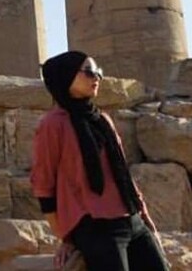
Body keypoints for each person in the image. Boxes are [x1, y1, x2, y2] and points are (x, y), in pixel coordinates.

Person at [31, 51, 170, 270]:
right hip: (96, 227)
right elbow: (43, 186)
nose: (97, 78)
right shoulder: (52, 124)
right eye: (88, 72)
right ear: (67, 76)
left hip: (132, 220)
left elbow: (120, 172)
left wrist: (144, 215)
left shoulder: (101, 119)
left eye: (99, 72)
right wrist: (65, 237)